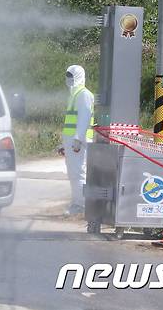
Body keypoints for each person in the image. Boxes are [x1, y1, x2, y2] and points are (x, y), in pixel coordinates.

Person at [58, 65, 94, 216]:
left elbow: (84, 119)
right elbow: (71, 123)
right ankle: (77, 203)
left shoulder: (83, 94)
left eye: (71, 76)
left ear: (79, 76)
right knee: (73, 173)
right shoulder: (74, 95)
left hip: (78, 142)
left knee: (79, 173)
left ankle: (81, 205)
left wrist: (78, 139)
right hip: (72, 142)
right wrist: (64, 143)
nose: (69, 80)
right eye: (68, 76)